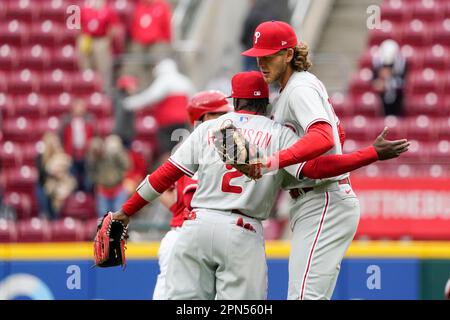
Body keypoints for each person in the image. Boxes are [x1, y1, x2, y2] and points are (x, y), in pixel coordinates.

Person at [108, 71, 408, 299]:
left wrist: (125, 212)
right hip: (242, 233)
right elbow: (319, 168)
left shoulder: (208, 128)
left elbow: (162, 176)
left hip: (194, 228)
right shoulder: (279, 134)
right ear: (266, 102)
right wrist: (371, 154)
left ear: (234, 101)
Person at [241, 21, 409, 299]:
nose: (261, 62)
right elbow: (336, 133)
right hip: (315, 198)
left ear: (288, 54)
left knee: (304, 297)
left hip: (324, 198)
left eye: (268, 55)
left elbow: (323, 137)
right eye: (258, 55)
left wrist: (273, 161)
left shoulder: (299, 89)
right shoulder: (292, 89)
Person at [152, 90, 231, 300]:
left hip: (199, 235)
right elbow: (163, 187)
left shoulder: (220, 145)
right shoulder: (193, 146)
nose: (225, 117)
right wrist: (181, 210)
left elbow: (163, 190)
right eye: (218, 114)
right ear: (203, 118)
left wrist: (178, 207)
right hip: (185, 234)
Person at [123, 58, 196, 165]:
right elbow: (194, 99)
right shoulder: (185, 81)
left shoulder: (164, 80)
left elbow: (150, 97)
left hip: (166, 123)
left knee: (167, 151)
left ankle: (167, 173)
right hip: (183, 121)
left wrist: (130, 103)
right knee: (180, 149)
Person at [124, 0, 173, 88]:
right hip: (140, 43)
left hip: (157, 42)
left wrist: (167, 41)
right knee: (135, 63)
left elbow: (167, 27)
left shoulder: (161, 6)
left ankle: (160, 87)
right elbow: (134, 27)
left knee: (159, 58)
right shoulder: (138, 6)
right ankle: (138, 89)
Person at [78, 0, 120, 91]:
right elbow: (78, 25)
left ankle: (105, 89)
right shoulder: (85, 9)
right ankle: (86, 88)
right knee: (86, 66)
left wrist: (107, 40)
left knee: (103, 67)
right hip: (87, 38)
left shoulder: (108, 10)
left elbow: (114, 27)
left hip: (101, 39)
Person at [87, 135, 130, 217]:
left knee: (119, 215)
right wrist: (98, 180)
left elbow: (126, 165)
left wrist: (119, 175)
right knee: (103, 215)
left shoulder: (113, 154)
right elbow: (91, 173)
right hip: (102, 190)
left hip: (117, 188)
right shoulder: (93, 159)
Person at [60, 99, 96, 192]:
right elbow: (61, 137)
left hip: (87, 155)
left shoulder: (90, 119)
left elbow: (95, 136)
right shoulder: (66, 120)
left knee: (88, 181)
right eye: (78, 106)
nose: (81, 109)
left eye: (82, 106)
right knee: (73, 179)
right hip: (71, 154)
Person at [372, 39, 407, 116]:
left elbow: (404, 82)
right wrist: (379, 83)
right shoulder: (377, 63)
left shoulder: (401, 64)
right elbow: (373, 81)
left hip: (398, 100)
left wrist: (391, 80)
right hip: (382, 101)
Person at [112, 75, 139, 148]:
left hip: (125, 135)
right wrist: (118, 134)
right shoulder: (122, 100)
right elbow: (119, 119)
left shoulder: (124, 98)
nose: (135, 88)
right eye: (133, 86)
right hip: (123, 136)